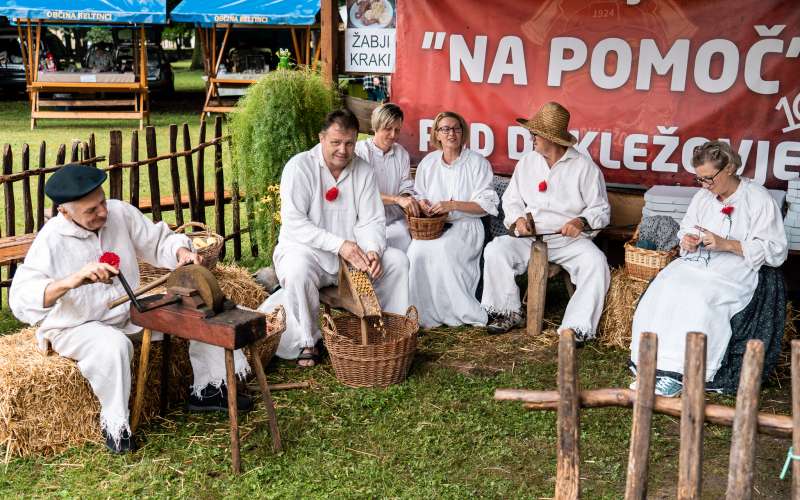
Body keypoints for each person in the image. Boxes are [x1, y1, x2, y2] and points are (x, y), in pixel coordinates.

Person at [9, 164, 252, 454]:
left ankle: (210, 388)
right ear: (65, 212)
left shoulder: (118, 213)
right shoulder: (51, 241)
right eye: (91, 210)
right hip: (76, 325)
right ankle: (116, 426)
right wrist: (73, 280)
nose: (102, 212)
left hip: (127, 311)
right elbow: (21, 297)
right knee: (114, 347)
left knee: (196, 309)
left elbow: (158, 239)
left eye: (101, 202)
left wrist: (181, 251)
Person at [630, 141, 788, 397]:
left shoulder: (757, 198)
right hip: (701, 261)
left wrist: (728, 244)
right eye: (699, 179)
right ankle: (655, 366)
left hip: (738, 265)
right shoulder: (703, 197)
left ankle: (683, 373)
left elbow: (775, 249)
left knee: (699, 297)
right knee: (665, 287)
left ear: (729, 169)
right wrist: (688, 240)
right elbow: (688, 227)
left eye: (708, 178)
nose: (704, 185)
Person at [258, 109, 409, 367]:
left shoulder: (363, 170)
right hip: (306, 251)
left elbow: (372, 219)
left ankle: (385, 331)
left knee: (396, 261)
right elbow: (295, 224)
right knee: (297, 270)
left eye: (349, 143)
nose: (343, 150)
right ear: (321, 138)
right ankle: (310, 340)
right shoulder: (300, 167)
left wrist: (372, 250)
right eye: (336, 142)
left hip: (350, 257)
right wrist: (340, 245)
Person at [480, 102, 611, 341]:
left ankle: (576, 327)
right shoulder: (528, 162)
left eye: (536, 134)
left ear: (552, 138)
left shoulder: (584, 167)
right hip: (531, 237)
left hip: (566, 240)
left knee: (596, 262)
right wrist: (518, 219)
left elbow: (600, 208)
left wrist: (581, 221)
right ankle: (507, 312)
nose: (532, 138)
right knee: (496, 250)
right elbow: (511, 199)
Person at [407, 111, 499, 328]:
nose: (451, 133)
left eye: (456, 128)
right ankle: (422, 314)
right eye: (445, 129)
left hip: (467, 224)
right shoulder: (428, 163)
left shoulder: (477, 163)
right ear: (437, 134)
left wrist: (453, 205)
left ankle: (455, 311)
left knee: (444, 250)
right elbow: (419, 194)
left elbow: (486, 205)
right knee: (415, 252)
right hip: (433, 226)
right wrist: (424, 205)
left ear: (463, 133)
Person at [354, 102, 419, 251]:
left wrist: (407, 198)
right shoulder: (360, 152)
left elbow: (406, 185)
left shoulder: (401, 152)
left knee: (406, 242)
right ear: (376, 126)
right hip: (366, 221)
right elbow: (361, 193)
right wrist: (397, 199)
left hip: (396, 220)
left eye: (397, 130)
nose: (393, 135)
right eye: (388, 129)